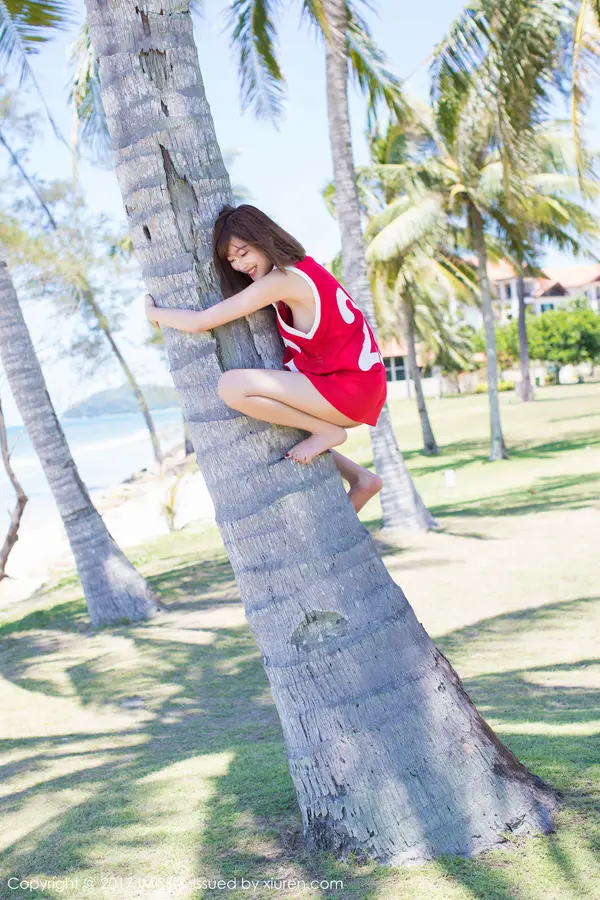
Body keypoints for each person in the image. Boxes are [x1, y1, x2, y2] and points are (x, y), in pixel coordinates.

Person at [144, 204, 386, 513]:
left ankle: (327, 433)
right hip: (357, 387)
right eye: (231, 260)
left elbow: (201, 321)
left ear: (264, 238)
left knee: (233, 387)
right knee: (281, 413)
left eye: (243, 253)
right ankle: (361, 478)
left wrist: (153, 312)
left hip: (351, 390)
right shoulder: (304, 269)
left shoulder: (283, 279)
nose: (239, 265)